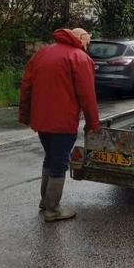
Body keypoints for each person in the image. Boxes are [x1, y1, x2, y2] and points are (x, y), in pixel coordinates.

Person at [19, 28, 101, 222]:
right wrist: (93, 123)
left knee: (50, 157)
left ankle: (45, 201)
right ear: (80, 38)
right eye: (87, 42)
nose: (87, 46)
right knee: (60, 162)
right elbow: (87, 96)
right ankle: (53, 209)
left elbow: (26, 85)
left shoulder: (42, 53)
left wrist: (25, 114)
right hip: (63, 122)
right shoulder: (79, 58)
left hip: (41, 120)